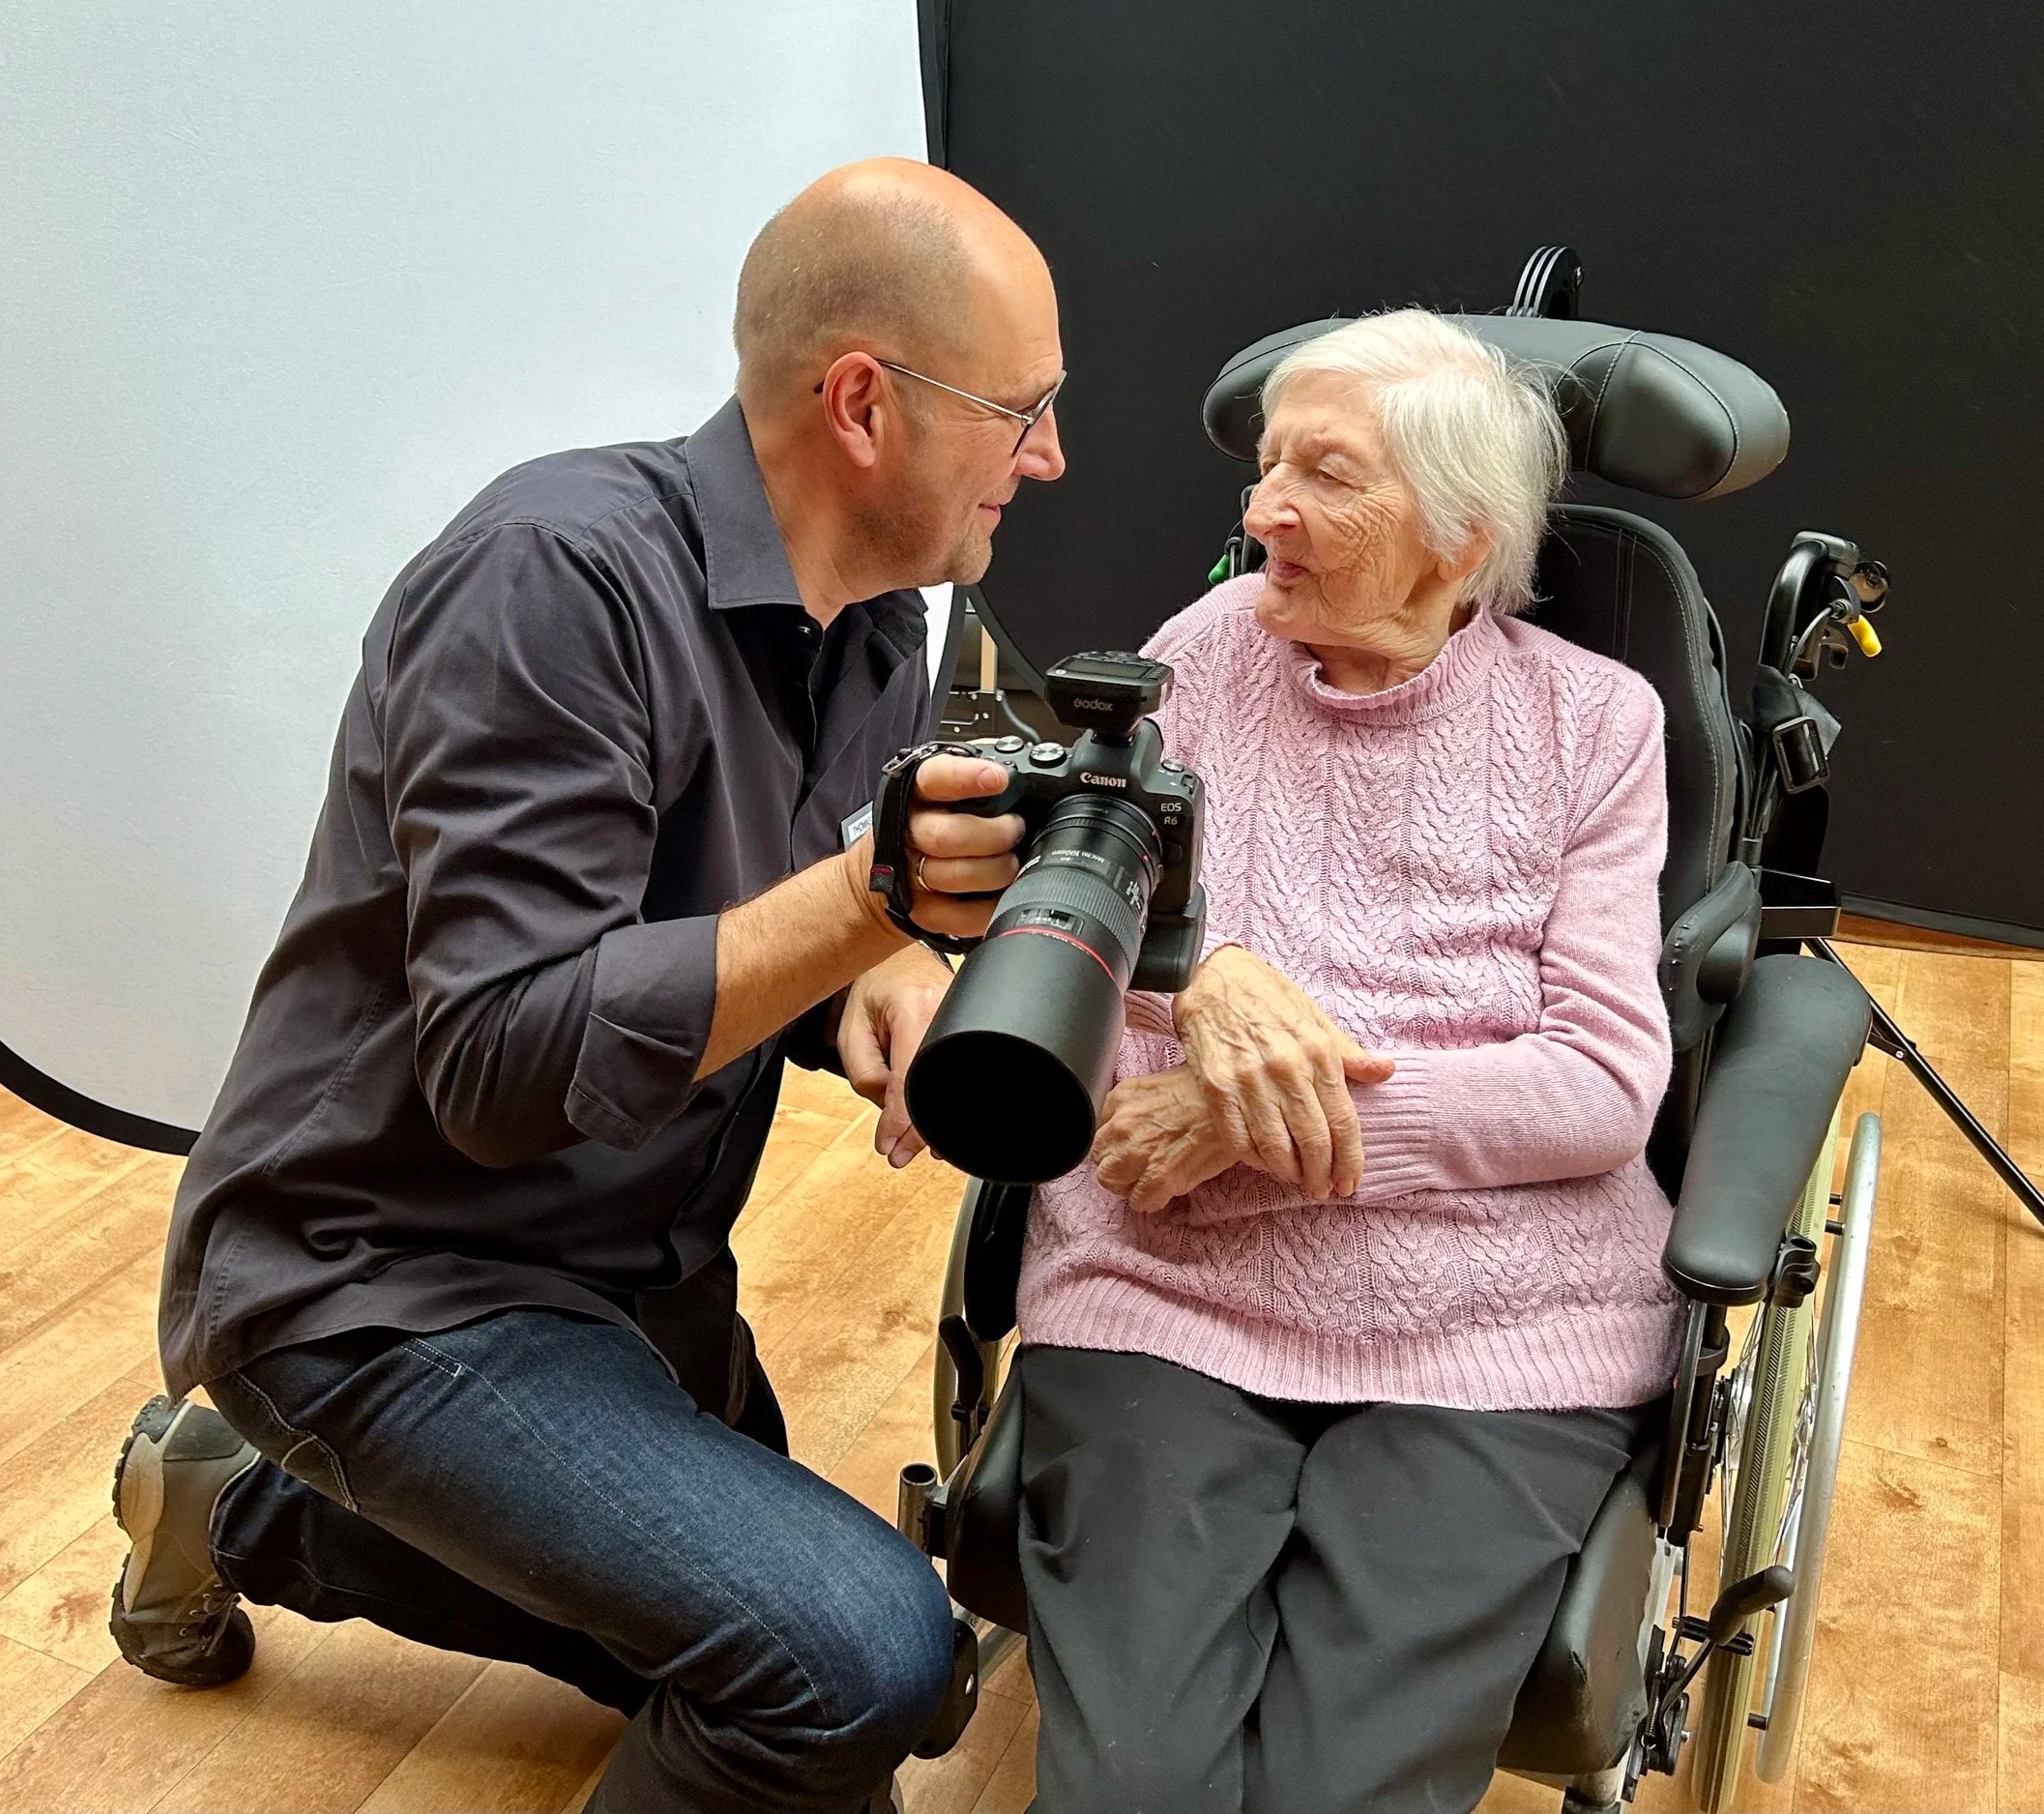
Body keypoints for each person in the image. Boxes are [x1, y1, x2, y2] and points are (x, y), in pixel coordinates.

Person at [111, 159, 1066, 1814]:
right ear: (862, 403)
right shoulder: (548, 579)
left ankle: (241, 1508)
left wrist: (874, 974)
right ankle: (286, 1459)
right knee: (855, 1663)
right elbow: (497, 1062)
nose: (1048, 454)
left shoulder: (880, 624)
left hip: (632, 1272)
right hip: (384, 1279)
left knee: (870, 1691)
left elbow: (767, 910)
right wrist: (870, 901)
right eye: (1020, 407)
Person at [1011, 309, 1685, 1813]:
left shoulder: (1593, 721)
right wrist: (1200, 990)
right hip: (1166, 1296)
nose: (1260, 514)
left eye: (1322, 475)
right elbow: (1103, 981)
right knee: (1130, 1789)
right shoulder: (1197, 655)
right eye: (1263, 470)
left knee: (1344, 1793)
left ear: (1458, 536)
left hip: (1496, 1321)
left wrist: (1248, 1131)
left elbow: (1592, 1088)